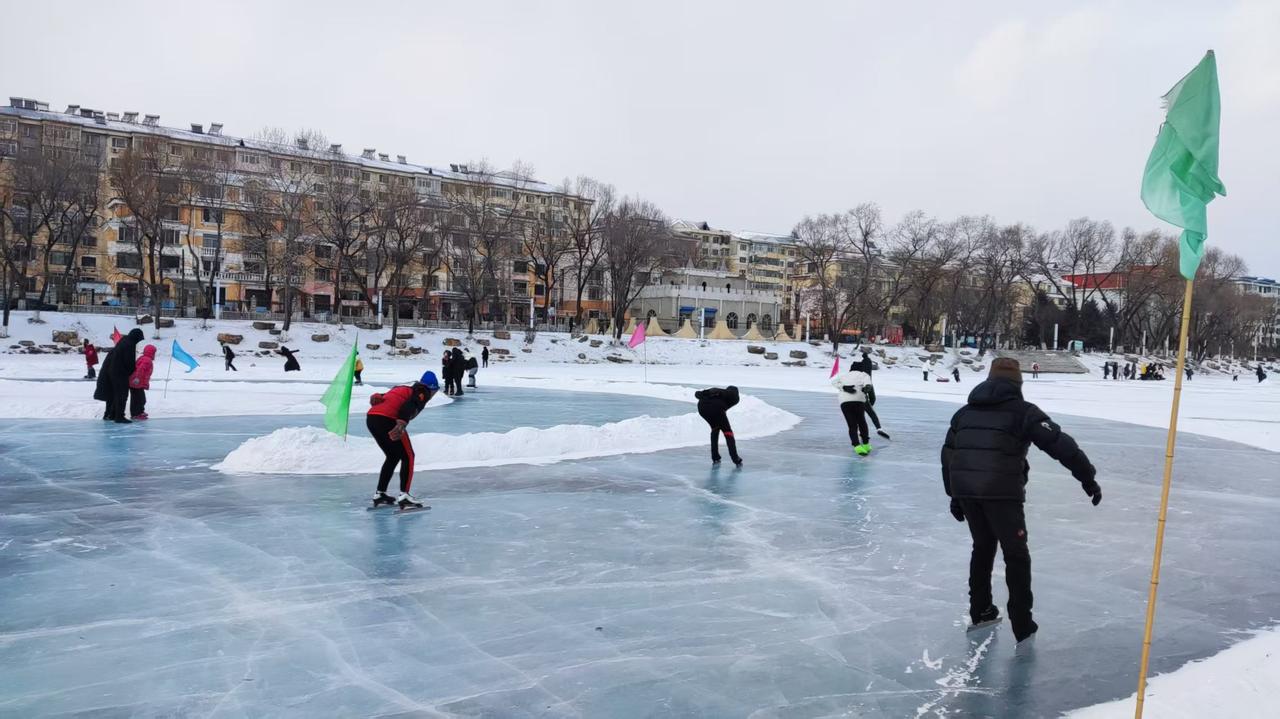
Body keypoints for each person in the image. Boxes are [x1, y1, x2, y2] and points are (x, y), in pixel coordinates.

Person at [941, 358, 1100, 647]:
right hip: (1001, 493)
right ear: (1018, 384)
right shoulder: (1023, 412)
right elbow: (1060, 445)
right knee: (1015, 554)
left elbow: (949, 455)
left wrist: (954, 495)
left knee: (983, 547)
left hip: (968, 492)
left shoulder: (964, 413)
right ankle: (1022, 624)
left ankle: (981, 611)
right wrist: (1087, 477)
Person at [366, 370, 439, 509]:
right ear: (432, 387)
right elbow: (410, 405)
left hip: (372, 418)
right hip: (389, 419)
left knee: (393, 456)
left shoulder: (405, 387)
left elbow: (386, 397)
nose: (432, 396)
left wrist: (376, 396)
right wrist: (401, 423)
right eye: (434, 392)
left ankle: (380, 493)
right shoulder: (422, 390)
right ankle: (405, 496)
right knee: (408, 455)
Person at [94, 328, 145, 423]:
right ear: (136, 337)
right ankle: (119, 416)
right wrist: (131, 371)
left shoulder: (122, 343)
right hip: (119, 373)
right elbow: (129, 362)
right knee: (121, 394)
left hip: (110, 371)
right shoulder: (129, 344)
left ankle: (109, 414)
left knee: (112, 393)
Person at [694, 386, 742, 466]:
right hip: (715, 408)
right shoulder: (733, 395)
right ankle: (735, 458)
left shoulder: (720, 394)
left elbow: (698, 394)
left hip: (702, 408)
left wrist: (701, 394)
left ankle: (715, 457)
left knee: (715, 429)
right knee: (728, 433)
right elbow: (717, 392)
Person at [831, 367, 874, 455]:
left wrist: (843, 387)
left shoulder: (844, 376)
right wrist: (866, 388)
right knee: (862, 422)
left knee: (852, 425)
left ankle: (857, 446)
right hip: (858, 400)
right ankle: (866, 444)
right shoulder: (864, 374)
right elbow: (868, 384)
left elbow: (834, 382)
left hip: (844, 401)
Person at [849, 349, 890, 439]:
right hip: (862, 398)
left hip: (849, 399)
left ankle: (859, 431)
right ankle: (879, 428)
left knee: (857, 416)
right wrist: (869, 404)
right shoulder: (867, 378)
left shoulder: (851, 377)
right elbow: (872, 396)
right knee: (871, 413)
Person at [128, 344, 157, 420]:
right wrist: (137, 378)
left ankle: (139, 412)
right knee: (139, 399)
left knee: (138, 398)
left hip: (136, 382)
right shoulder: (147, 360)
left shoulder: (143, 358)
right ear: (151, 353)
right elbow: (140, 369)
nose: (155, 355)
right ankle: (136, 413)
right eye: (154, 353)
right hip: (136, 383)